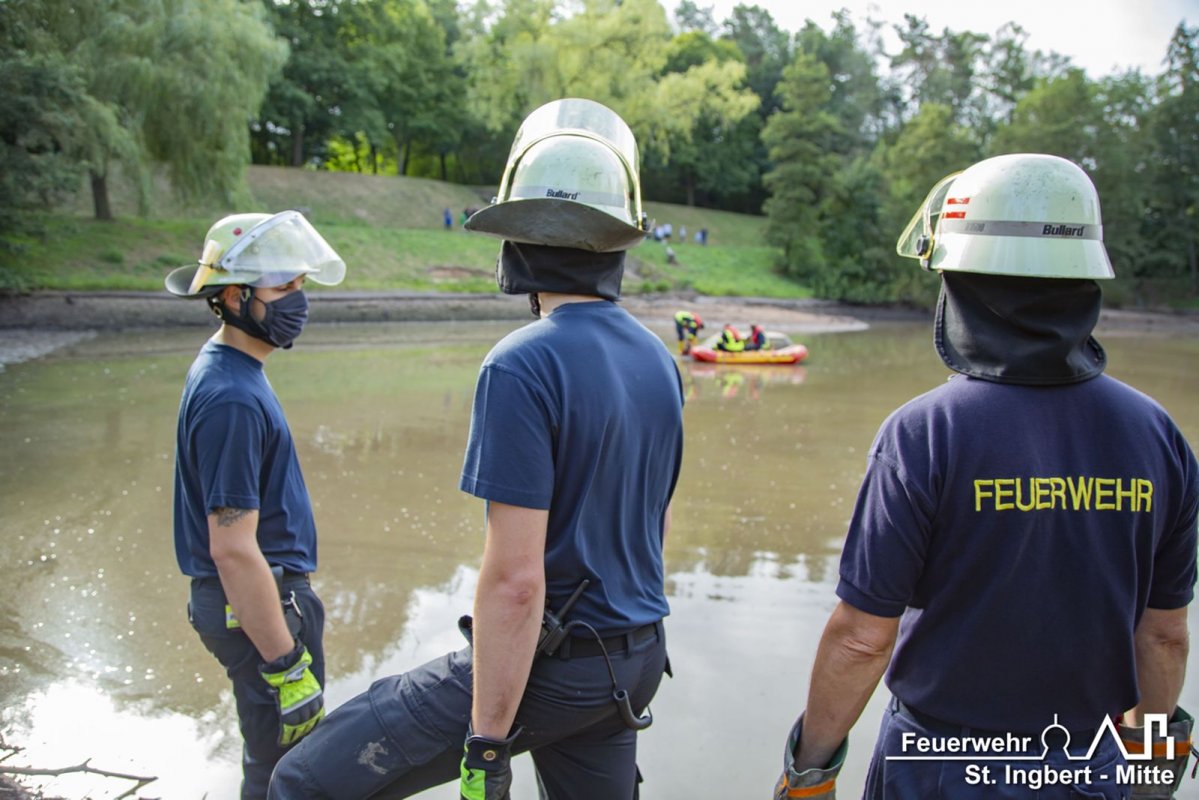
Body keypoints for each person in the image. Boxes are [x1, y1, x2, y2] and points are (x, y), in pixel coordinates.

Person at [270, 98, 683, 800]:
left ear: (517, 239)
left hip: (552, 669)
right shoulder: (658, 359)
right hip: (636, 658)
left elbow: (516, 581)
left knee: (302, 780)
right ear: (618, 243)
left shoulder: (522, 363)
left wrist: (488, 743)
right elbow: (653, 525)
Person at [773, 153, 1198, 800]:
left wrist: (809, 772)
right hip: (1088, 765)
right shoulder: (1157, 435)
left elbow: (861, 639)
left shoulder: (923, 434)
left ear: (962, 284)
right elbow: (1164, 636)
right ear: (1083, 278)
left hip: (938, 765)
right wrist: (1151, 764)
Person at [165, 210, 347, 800]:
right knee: (286, 769)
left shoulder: (232, 368)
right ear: (234, 296)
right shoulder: (232, 399)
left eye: (300, 284)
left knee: (276, 758)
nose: (299, 300)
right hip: (261, 608)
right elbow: (233, 549)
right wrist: (286, 665)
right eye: (283, 287)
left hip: (262, 602)